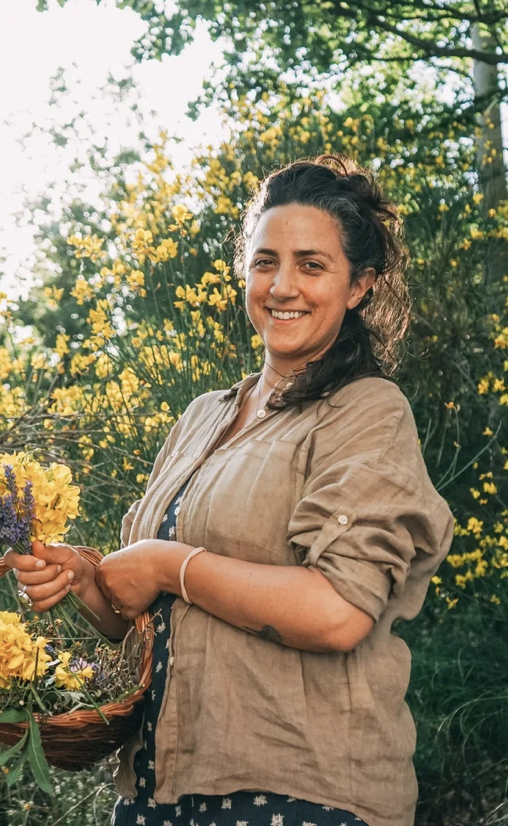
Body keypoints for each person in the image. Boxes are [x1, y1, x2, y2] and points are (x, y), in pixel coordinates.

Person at [5, 155, 454, 826]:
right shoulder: (201, 416)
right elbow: (143, 619)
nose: (282, 286)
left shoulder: (366, 412)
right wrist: (84, 578)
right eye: (265, 260)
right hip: (157, 788)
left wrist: (167, 563)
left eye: (312, 264)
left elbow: (339, 612)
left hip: (303, 795)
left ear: (358, 286)